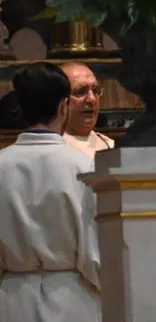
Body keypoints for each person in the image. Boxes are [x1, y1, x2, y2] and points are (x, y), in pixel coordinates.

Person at [0, 63, 100, 322]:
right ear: (63, 106)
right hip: (73, 302)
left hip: (11, 302)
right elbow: (95, 256)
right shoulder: (84, 166)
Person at [60, 62, 114, 156]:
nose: (92, 99)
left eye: (95, 91)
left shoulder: (109, 144)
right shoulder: (52, 148)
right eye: (80, 91)